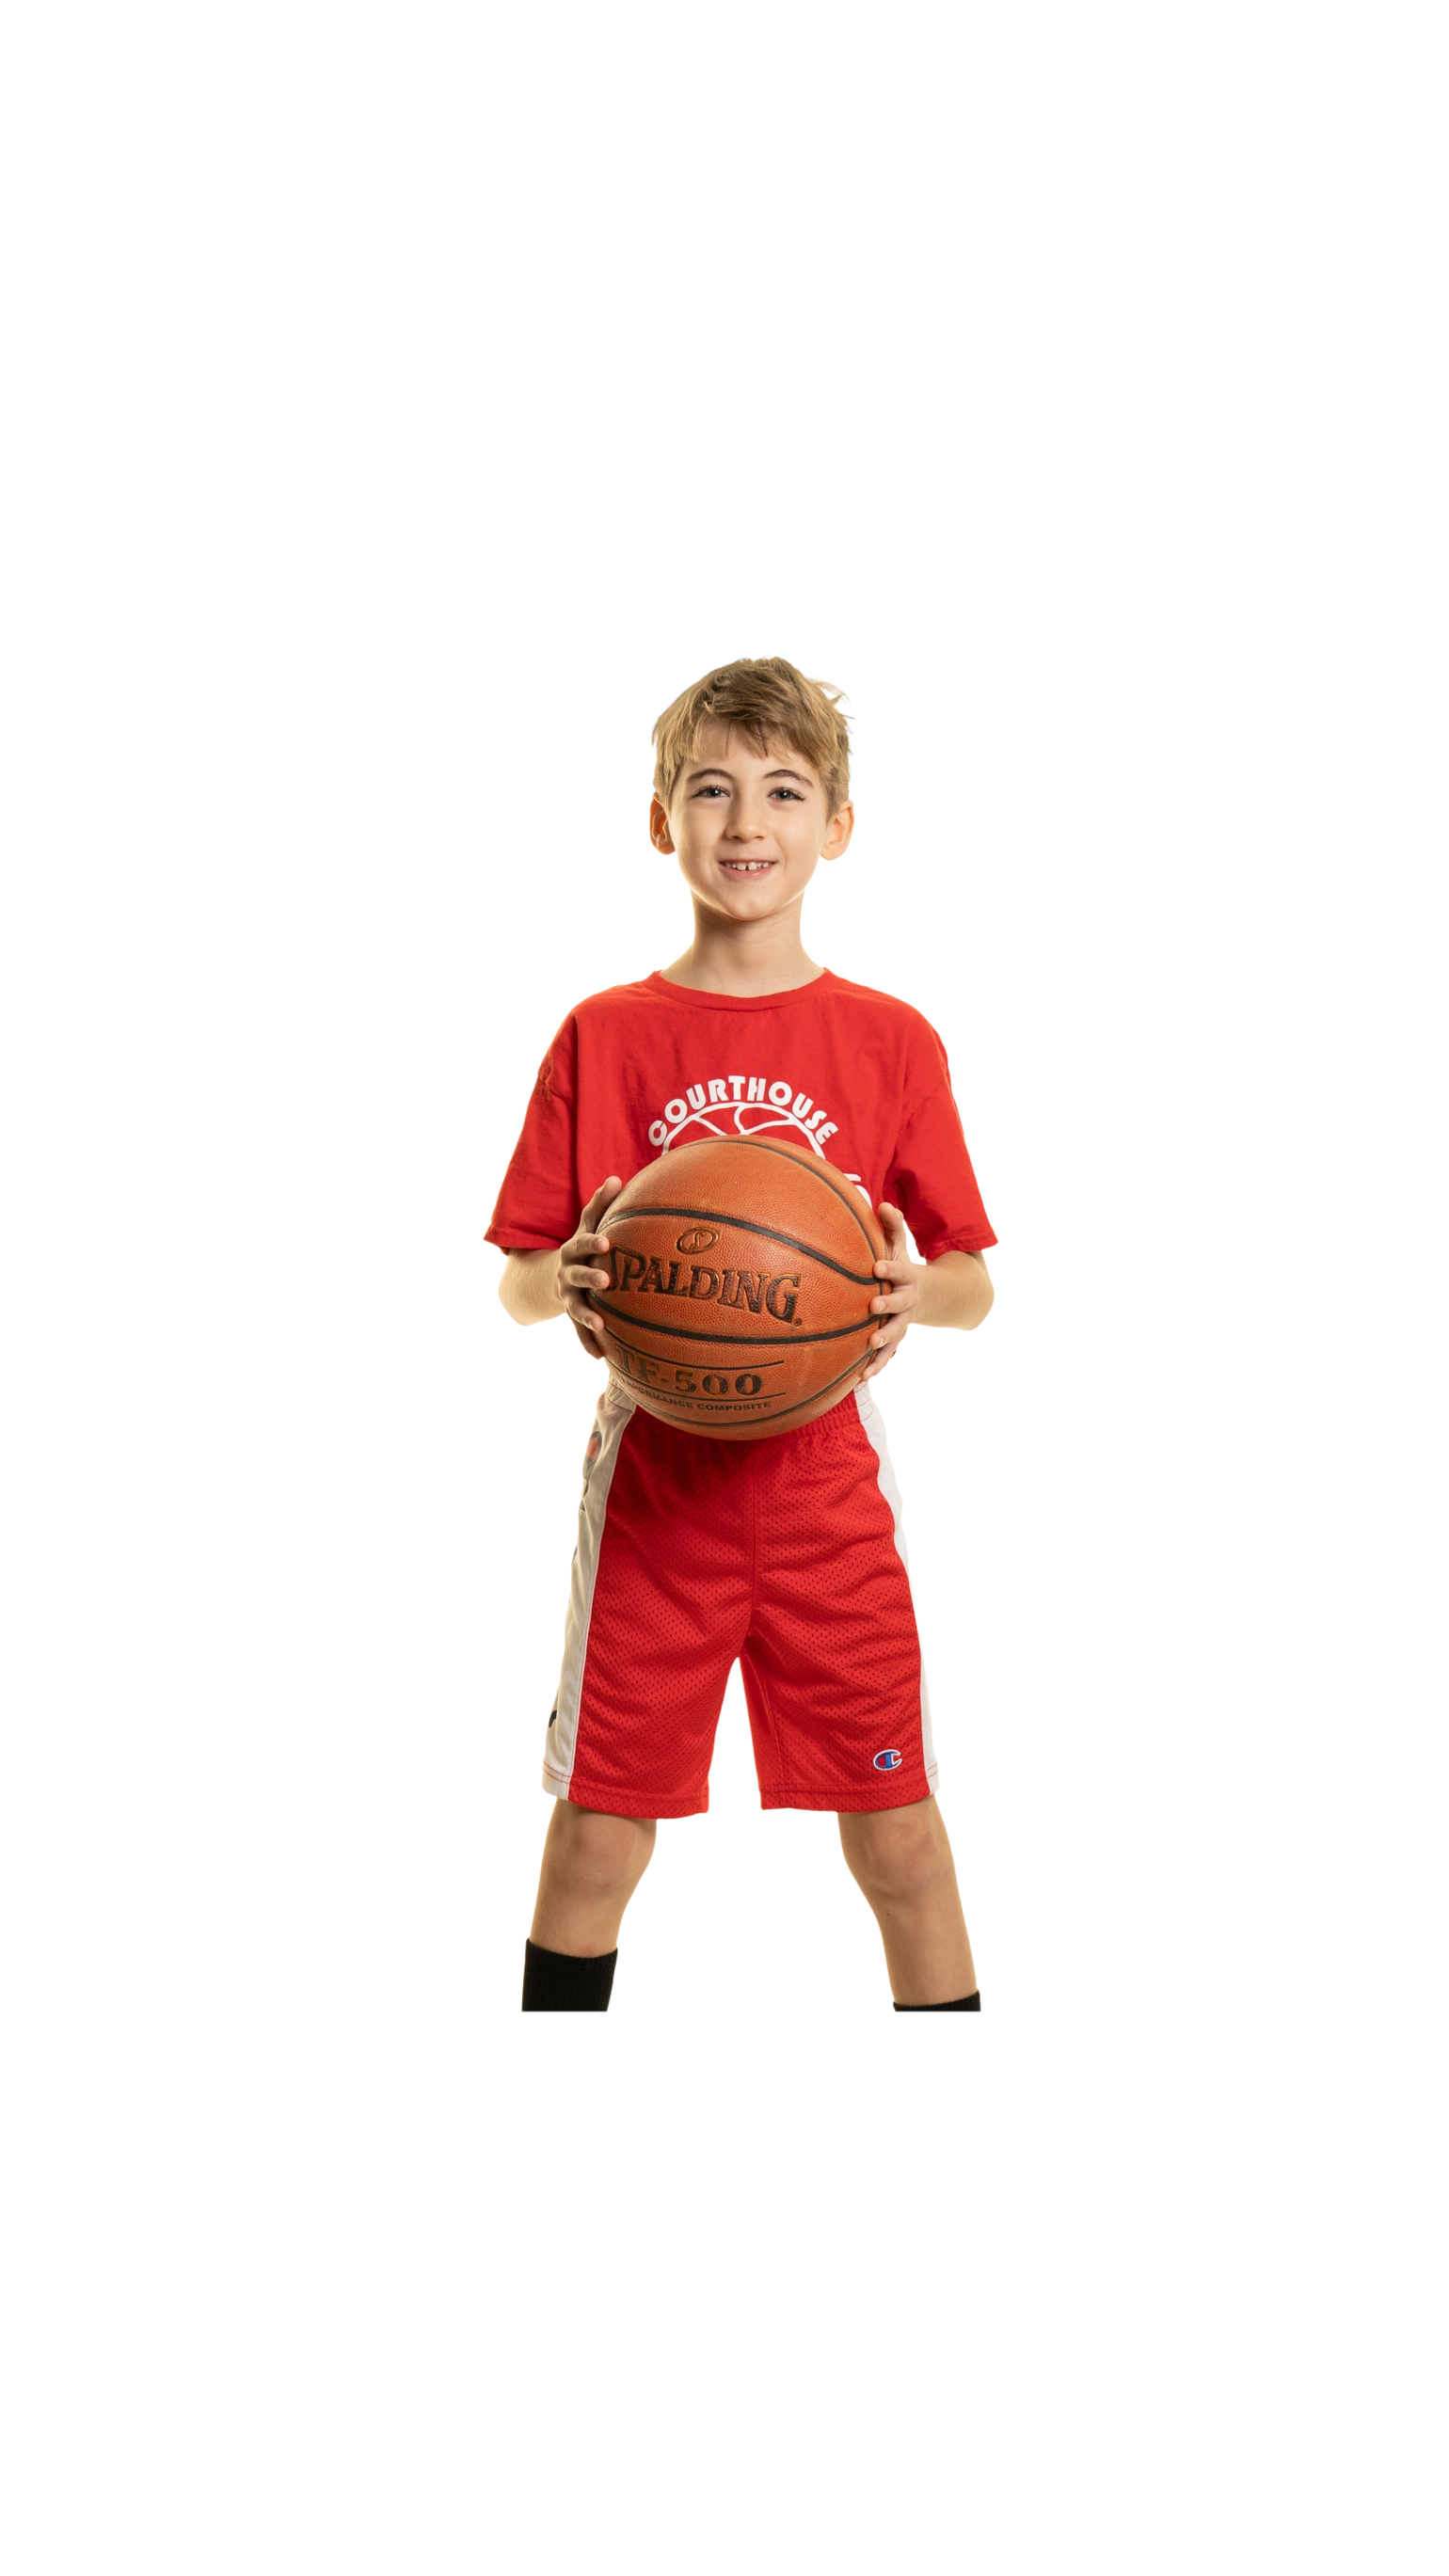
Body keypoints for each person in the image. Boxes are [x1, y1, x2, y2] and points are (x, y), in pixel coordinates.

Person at [486, 657, 997, 2012]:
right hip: (656, 1495)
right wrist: (568, 1280)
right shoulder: (604, 1034)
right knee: (597, 1837)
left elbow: (971, 1281)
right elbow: (519, 1280)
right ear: (663, 820)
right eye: (710, 790)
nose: (746, 821)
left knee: (901, 1838)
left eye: (784, 790)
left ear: (838, 823)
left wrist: (909, 1289)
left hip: (828, 1490)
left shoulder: (891, 1041)